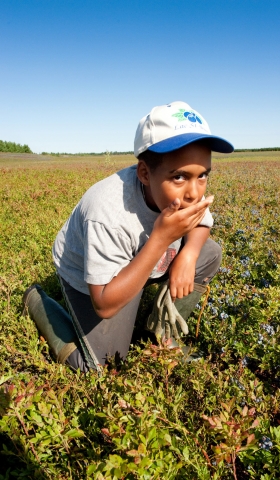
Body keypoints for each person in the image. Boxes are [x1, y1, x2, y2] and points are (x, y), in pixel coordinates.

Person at [23, 101, 233, 373]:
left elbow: (202, 224)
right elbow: (104, 304)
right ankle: (37, 300)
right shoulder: (107, 212)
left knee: (208, 253)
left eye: (202, 175)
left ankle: (162, 333)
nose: (194, 193)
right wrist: (160, 238)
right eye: (179, 177)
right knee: (101, 367)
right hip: (95, 281)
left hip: (137, 262)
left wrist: (189, 256)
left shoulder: (186, 191)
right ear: (145, 173)